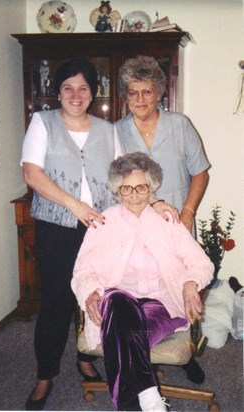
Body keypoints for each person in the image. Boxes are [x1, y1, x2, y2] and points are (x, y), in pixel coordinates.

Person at [21, 58, 176, 411]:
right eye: (68, 88)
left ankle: (84, 357)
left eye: (83, 88)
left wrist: (155, 202)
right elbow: (33, 174)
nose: (75, 95)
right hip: (58, 229)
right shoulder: (42, 123)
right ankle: (45, 375)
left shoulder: (108, 130)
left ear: (93, 94)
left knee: (97, 297)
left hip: (103, 229)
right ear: (57, 92)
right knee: (57, 304)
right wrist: (76, 207)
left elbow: (125, 175)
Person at [71, 152, 214, 412]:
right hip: (117, 302)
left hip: (161, 305)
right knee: (115, 299)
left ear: (152, 189)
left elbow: (201, 263)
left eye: (141, 187)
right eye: (126, 188)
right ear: (117, 190)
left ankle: (135, 404)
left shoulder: (166, 221)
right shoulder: (103, 222)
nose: (134, 194)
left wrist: (190, 283)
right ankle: (150, 399)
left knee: (123, 337)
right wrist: (91, 292)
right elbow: (82, 271)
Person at [115, 55, 210, 233]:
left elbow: (201, 173)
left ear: (158, 94)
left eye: (147, 92)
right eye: (133, 93)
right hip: (134, 224)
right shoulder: (115, 131)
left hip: (178, 219)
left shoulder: (180, 125)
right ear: (125, 97)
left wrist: (187, 214)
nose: (140, 99)